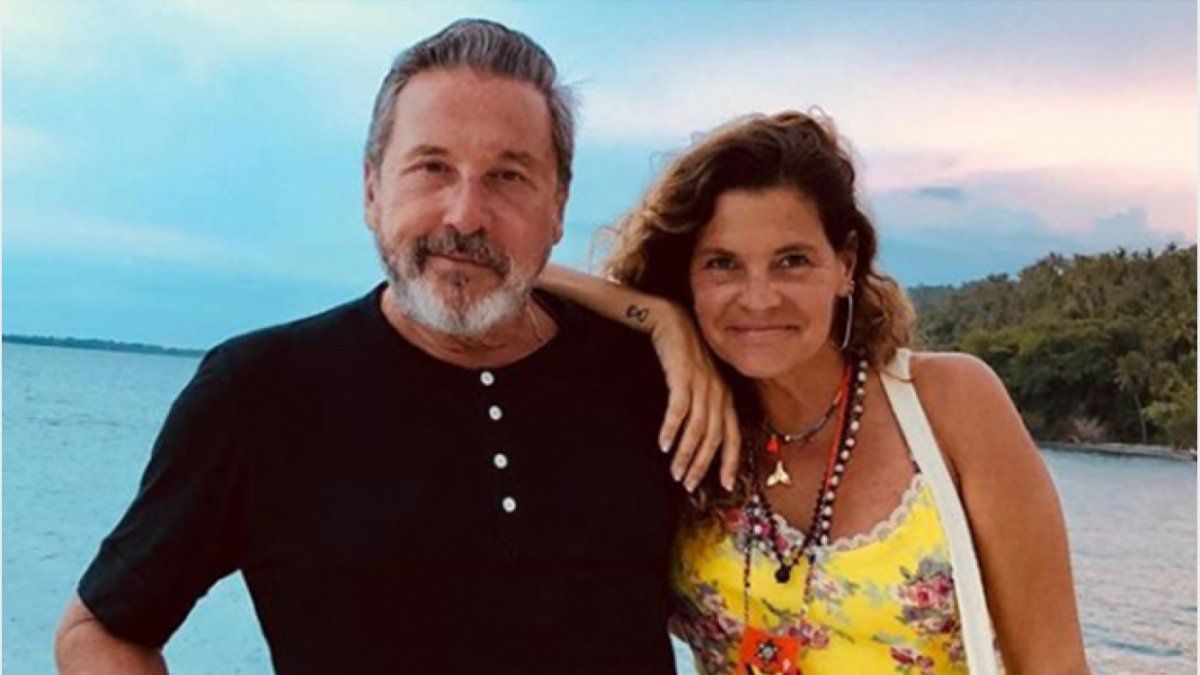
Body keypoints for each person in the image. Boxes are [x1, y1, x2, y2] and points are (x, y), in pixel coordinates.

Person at [52, 19, 736, 674]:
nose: (465, 214)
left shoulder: (651, 380)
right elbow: (102, 630)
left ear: (557, 206)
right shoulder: (261, 391)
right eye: (432, 167)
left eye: (508, 176)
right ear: (372, 189)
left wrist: (665, 323)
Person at [539, 111, 1089, 673]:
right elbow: (521, 273)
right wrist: (662, 319)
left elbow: (1055, 664)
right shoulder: (682, 423)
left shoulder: (949, 403)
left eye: (792, 261)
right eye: (722, 264)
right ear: (688, 278)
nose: (759, 298)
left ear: (845, 265)